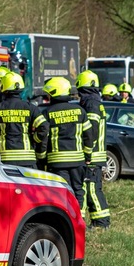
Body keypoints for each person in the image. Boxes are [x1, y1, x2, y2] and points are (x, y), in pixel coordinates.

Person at [41, 77, 92, 208]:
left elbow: (43, 137)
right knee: (78, 190)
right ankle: (80, 220)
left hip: (57, 162)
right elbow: (89, 136)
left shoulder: (48, 113)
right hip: (78, 160)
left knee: (62, 192)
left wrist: (41, 158)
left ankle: (67, 220)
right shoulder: (80, 111)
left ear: (54, 93)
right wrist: (88, 156)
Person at [0, 71, 49, 168]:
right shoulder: (30, 107)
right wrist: (34, 139)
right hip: (27, 160)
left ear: (4, 87)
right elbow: (44, 127)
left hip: (5, 159)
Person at [75, 70, 111, 229]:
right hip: (96, 153)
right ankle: (86, 221)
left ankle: (101, 223)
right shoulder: (96, 102)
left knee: (91, 188)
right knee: (88, 187)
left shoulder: (91, 104)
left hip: (93, 154)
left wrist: (86, 151)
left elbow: (92, 130)